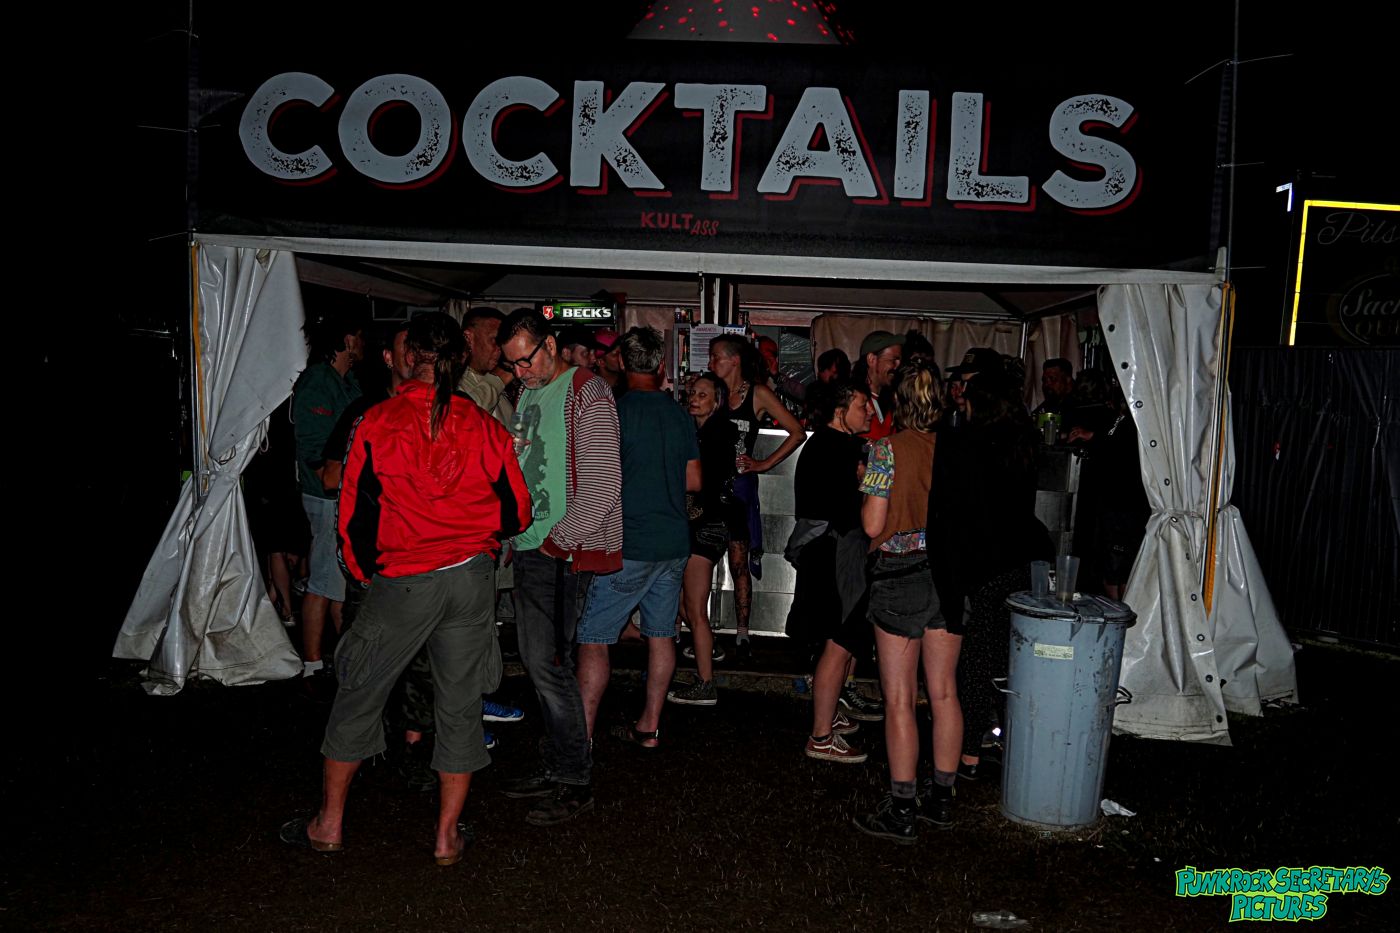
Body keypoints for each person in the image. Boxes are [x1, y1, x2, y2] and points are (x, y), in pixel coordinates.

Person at [279, 312, 531, 866]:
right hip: (469, 579)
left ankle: (329, 824)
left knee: (359, 693)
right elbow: (518, 511)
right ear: (458, 360)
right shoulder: (484, 425)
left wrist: (365, 575)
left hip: (404, 579)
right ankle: (445, 837)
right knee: (459, 706)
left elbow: (351, 516)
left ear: (410, 357)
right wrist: (472, 531)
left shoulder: (377, 421)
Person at [496, 308, 622, 827]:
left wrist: (557, 542)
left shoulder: (587, 391)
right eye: (512, 364)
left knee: (549, 665)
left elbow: (603, 483)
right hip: (533, 547)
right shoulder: (529, 393)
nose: (520, 371)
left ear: (550, 345)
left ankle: (573, 778)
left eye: (526, 360)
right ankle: (557, 766)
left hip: (560, 552)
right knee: (540, 662)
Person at [931, 353, 1053, 787]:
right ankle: (995, 743)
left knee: (977, 662)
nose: (959, 389)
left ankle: (969, 754)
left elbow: (961, 513)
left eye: (966, 382)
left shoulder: (974, 440)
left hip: (988, 563)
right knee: (1000, 656)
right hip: (1018, 560)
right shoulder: (1020, 434)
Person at [576, 327, 700, 748]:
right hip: (673, 542)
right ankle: (649, 726)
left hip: (629, 542)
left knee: (594, 637)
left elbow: (597, 479)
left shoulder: (614, 411)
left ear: (623, 363)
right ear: (661, 365)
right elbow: (694, 480)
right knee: (661, 634)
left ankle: (581, 738)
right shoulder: (679, 414)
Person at [853, 359, 956, 843]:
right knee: (944, 691)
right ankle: (942, 799)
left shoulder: (886, 450)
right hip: (950, 574)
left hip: (901, 575)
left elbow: (873, 524)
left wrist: (867, 485)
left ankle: (902, 808)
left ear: (899, 401)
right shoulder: (959, 450)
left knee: (899, 698)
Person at [788, 380, 875, 764]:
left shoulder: (822, 444)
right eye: (862, 405)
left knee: (834, 641)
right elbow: (853, 512)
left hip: (824, 553)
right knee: (839, 643)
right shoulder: (842, 449)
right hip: (837, 556)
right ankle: (821, 736)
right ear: (841, 410)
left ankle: (828, 715)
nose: (869, 412)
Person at [707, 334, 805, 660]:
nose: (711, 363)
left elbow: (797, 432)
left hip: (739, 486)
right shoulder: (711, 391)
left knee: (738, 561)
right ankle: (697, 629)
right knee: (700, 560)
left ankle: (742, 634)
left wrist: (763, 463)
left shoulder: (757, 393)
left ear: (734, 360)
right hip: (709, 486)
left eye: (716, 357)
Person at [291, 308, 363, 682]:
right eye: (360, 337)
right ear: (348, 340)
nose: (364, 344)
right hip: (326, 497)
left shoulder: (346, 381)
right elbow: (313, 443)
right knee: (322, 580)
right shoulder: (319, 381)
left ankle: (345, 661)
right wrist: (328, 480)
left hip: (341, 496)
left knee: (337, 582)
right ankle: (313, 664)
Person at [666, 372, 738, 706]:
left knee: (694, 608)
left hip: (705, 526)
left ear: (717, 401)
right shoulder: (700, 431)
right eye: (692, 393)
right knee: (686, 605)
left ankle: (706, 682)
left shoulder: (715, 434)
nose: (694, 399)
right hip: (699, 525)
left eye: (702, 395)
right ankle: (705, 656)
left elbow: (699, 483)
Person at [1067, 372, 1149, 600]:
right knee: (1112, 570)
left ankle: (1122, 613)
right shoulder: (1119, 418)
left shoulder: (1135, 421)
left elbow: (1122, 450)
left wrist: (1093, 437)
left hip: (1125, 505)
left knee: (1119, 570)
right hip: (1115, 505)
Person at [852, 330, 904, 441]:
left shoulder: (891, 400)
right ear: (872, 359)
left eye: (899, 361)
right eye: (893, 360)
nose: (897, 366)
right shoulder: (854, 401)